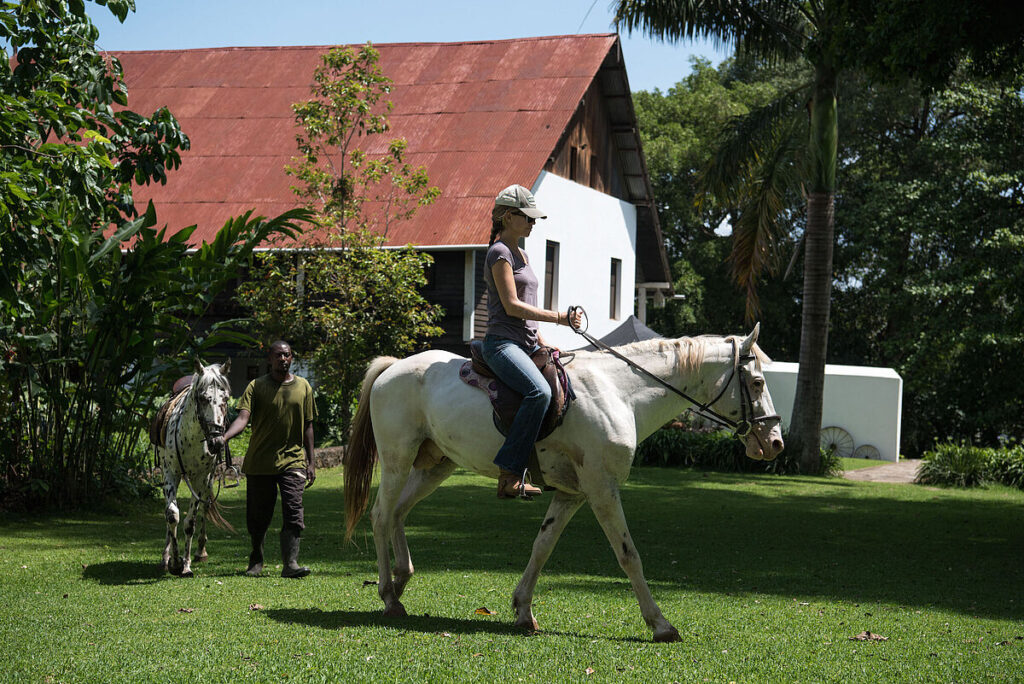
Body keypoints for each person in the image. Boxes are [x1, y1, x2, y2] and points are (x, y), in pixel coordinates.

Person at [483, 184, 582, 499]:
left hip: (527, 345)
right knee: (539, 393)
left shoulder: (522, 254)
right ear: (508, 217)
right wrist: (560, 318)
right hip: (502, 345)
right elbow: (513, 306)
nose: (533, 222)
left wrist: (543, 342)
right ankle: (509, 473)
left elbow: (527, 307)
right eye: (527, 217)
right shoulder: (499, 253)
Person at [224, 340, 316, 577]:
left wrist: (311, 461)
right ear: (269, 359)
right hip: (260, 461)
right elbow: (242, 419)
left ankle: (291, 563)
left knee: (294, 510)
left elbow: (308, 425)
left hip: (293, 460)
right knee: (258, 516)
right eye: (278, 355)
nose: (283, 359)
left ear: (291, 358)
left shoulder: (303, 386)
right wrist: (224, 438)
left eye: (287, 355)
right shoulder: (256, 386)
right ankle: (256, 559)